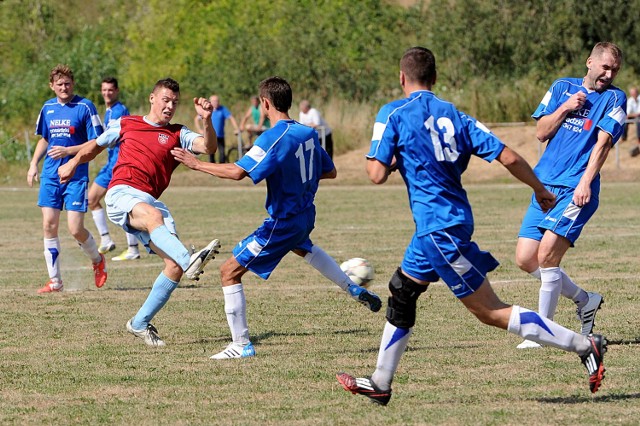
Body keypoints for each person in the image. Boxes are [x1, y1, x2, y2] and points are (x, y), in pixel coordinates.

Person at [335, 47, 608, 406]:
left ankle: (583, 345)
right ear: (435, 78)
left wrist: (398, 155)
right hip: (442, 224)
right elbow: (508, 156)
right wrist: (539, 190)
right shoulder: (456, 115)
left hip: (439, 228)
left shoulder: (393, 113)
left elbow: (375, 174)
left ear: (402, 78)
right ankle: (380, 382)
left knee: (490, 311)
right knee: (403, 289)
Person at [171, 76, 382, 360]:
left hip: (282, 221)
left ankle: (240, 343)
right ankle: (352, 287)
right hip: (306, 215)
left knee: (228, 272)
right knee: (302, 246)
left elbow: (237, 172)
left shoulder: (273, 136)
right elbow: (330, 171)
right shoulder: (307, 132)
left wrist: (196, 164)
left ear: (265, 103)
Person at [58, 78, 221, 347]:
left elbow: (209, 147)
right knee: (161, 229)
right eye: (166, 100)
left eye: (175, 103)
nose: (170, 106)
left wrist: (206, 120)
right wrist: (74, 162)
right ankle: (188, 258)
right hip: (122, 192)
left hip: (150, 202)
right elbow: (95, 146)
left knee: (173, 267)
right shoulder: (127, 123)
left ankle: (139, 323)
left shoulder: (178, 133)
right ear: (152, 98)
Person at [514, 42, 626, 349]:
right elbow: (541, 132)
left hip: (577, 187)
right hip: (545, 185)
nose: (609, 74)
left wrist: (585, 182)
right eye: (605, 67)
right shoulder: (562, 87)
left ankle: (543, 332)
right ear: (589, 62)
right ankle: (585, 299)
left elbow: (602, 145)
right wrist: (565, 107)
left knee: (548, 255)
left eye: (615, 69)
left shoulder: (616, 97)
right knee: (526, 259)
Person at [27, 64, 108, 293]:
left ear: (73, 84)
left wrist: (68, 152)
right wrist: (34, 164)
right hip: (51, 174)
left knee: (75, 229)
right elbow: (45, 138)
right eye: (59, 84)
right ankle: (55, 281)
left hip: (75, 174)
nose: (64, 87)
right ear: (52, 86)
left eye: (68, 83)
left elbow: (97, 142)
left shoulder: (84, 106)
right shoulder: (48, 108)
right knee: (49, 225)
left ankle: (97, 259)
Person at [88, 77, 141, 262]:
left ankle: (132, 247)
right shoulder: (109, 111)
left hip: (118, 163)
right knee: (92, 199)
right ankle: (107, 240)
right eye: (104, 90)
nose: (107, 93)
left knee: (119, 204)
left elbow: (112, 137)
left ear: (116, 91)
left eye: (110, 90)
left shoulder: (119, 110)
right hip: (111, 162)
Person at [193, 94, 239, 163]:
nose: (216, 102)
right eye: (214, 101)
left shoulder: (223, 109)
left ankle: (222, 168)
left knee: (222, 152)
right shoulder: (207, 110)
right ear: (210, 102)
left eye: (217, 101)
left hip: (220, 135)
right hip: (210, 136)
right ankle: (212, 167)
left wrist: (236, 128)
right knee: (211, 153)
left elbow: (231, 118)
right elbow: (196, 119)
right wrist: (199, 130)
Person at [624, 87, 640, 156]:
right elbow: (628, 113)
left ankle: (639, 139)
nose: (633, 94)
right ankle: (624, 137)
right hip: (634, 116)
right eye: (632, 93)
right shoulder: (630, 100)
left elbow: (639, 113)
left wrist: (630, 115)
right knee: (624, 121)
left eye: (634, 93)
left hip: (638, 117)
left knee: (638, 122)